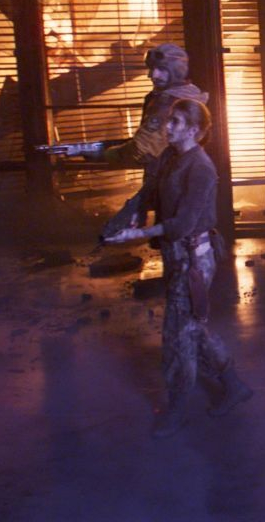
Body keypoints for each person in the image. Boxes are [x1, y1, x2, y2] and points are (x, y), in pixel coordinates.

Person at [103, 99, 252, 438]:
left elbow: (183, 223)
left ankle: (178, 407)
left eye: (177, 122)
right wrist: (134, 214)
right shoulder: (170, 156)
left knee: (177, 336)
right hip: (176, 255)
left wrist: (137, 235)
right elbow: (152, 191)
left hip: (194, 259)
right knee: (193, 328)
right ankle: (234, 385)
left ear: (195, 131)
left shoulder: (201, 168)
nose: (167, 126)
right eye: (169, 119)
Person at [61, 43, 208, 167]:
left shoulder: (168, 103)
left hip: (169, 179)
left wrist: (100, 154)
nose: (152, 75)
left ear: (177, 71)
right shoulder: (190, 95)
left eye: (161, 69)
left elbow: (140, 151)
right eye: (152, 69)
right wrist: (95, 148)